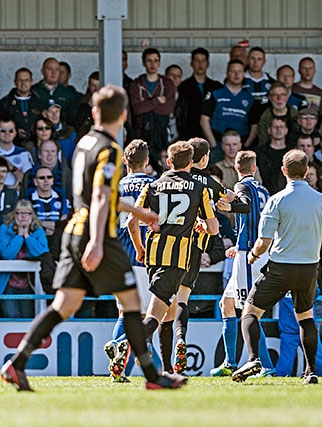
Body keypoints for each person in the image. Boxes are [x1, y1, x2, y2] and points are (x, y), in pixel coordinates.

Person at [0, 85, 187, 391]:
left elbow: (101, 195)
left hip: (74, 230)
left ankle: (16, 364)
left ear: (95, 112)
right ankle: (153, 377)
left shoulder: (85, 142)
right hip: (95, 233)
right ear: (124, 115)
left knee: (63, 304)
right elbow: (101, 197)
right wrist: (98, 241)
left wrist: (138, 213)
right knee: (132, 303)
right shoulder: (109, 148)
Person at [231, 149, 322, 384]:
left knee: (250, 311)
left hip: (280, 268)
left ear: (283, 171)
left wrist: (253, 255)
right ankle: (310, 371)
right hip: (309, 269)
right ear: (308, 171)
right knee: (306, 318)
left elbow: (264, 241)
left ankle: (253, 359)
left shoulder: (277, 200)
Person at [129, 140, 219, 375]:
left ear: (168, 162)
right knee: (158, 313)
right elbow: (213, 228)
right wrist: (199, 223)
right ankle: (125, 345)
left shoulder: (152, 186)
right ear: (191, 163)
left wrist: (139, 248)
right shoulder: (200, 189)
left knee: (166, 312)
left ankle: (168, 369)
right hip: (178, 258)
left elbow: (132, 221)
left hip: (153, 255)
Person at [211, 150, 276, 377]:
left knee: (250, 310)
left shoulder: (243, 187)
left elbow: (246, 206)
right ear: (254, 168)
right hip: (252, 249)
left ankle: (264, 365)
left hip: (249, 255)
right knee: (226, 304)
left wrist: (230, 207)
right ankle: (230, 362)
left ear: (236, 169)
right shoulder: (264, 190)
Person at [105, 139, 159, 383]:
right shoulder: (157, 186)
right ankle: (157, 370)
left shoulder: (116, 187)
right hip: (148, 258)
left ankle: (120, 370)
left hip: (121, 256)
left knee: (123, 313)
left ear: (125, 161)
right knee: (147, 318)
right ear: (147, 161)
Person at [128, 48, 177, 175]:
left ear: (159, 63)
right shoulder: (136, 84)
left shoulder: (167, 83)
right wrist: (157, 100)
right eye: (149, 61)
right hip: (142, 132)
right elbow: (137, 109)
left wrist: (146, 103)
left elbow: (168, 108)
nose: (152, 64)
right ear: (143, 63)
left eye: (156, 60)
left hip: (163, 133)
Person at [0, 200, 49, 319]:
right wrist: (19, 236)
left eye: (27, 213)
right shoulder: (5, 229)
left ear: (32, 215)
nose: (23, 216)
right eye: (19, 213)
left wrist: (27, 235)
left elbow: (40, 252)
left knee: (28, 316)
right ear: (14, 215)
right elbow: (7, 254)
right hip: (8, 282)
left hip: (29, 283)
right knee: (9, 315)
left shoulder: (38, 230)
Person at [200, 60, 254, 150]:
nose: (236, 74)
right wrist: (213, 144)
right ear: (227, 73)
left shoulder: (249, 98)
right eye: (233, 71)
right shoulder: (216, 94)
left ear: (244, 74)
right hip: (218, 144)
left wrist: (247, 144)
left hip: (240, 145)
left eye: (240, 71)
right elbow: (204, 119)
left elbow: (255, 124)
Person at [175, 47, 223, 140]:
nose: (200, 64)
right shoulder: (184, 86)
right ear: (191, 63)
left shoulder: (216, 86)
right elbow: (180, 113)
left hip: (213, 133)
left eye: (203, 61)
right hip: (190, 133)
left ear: (208, 64)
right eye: (197, 60)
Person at [27, 165, 70, 260]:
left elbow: (64, 222)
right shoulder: (28, 201)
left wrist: (41, 223)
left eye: (49, 177)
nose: (46, 180)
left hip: (58, 241)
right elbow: (26, 223)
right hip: (36, 241)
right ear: (35, 181)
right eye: (42, 178)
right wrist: (47, 225)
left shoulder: (62, 200)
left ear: (53, 180)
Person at [0, 68, 41, 144]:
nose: (23, 83)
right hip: (11, 143)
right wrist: (15, 130)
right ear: (15, 82)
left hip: (35, 144)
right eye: (20, 80)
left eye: (26, 80)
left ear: (32, 82)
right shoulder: (4, 102)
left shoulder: (39, 101)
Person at [31, 57, 76, 123]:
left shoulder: (67, 93)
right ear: (42, 71)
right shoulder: (33, 91)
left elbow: (72, 118)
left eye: (57, 70)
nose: (53, 72)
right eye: (49, 69)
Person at [0, 115, 35, 190]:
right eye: (3, 130)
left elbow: (27, 181)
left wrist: (11, 166)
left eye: (11, 130)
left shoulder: (24, 154)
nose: (7, 133)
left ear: (15, 133)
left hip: (19, 198)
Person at [0, 157, 19, 224]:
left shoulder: (12, 193)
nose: (1, 175)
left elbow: (14, 215)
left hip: (6, 231)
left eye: (3, 171)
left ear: (7, 174)